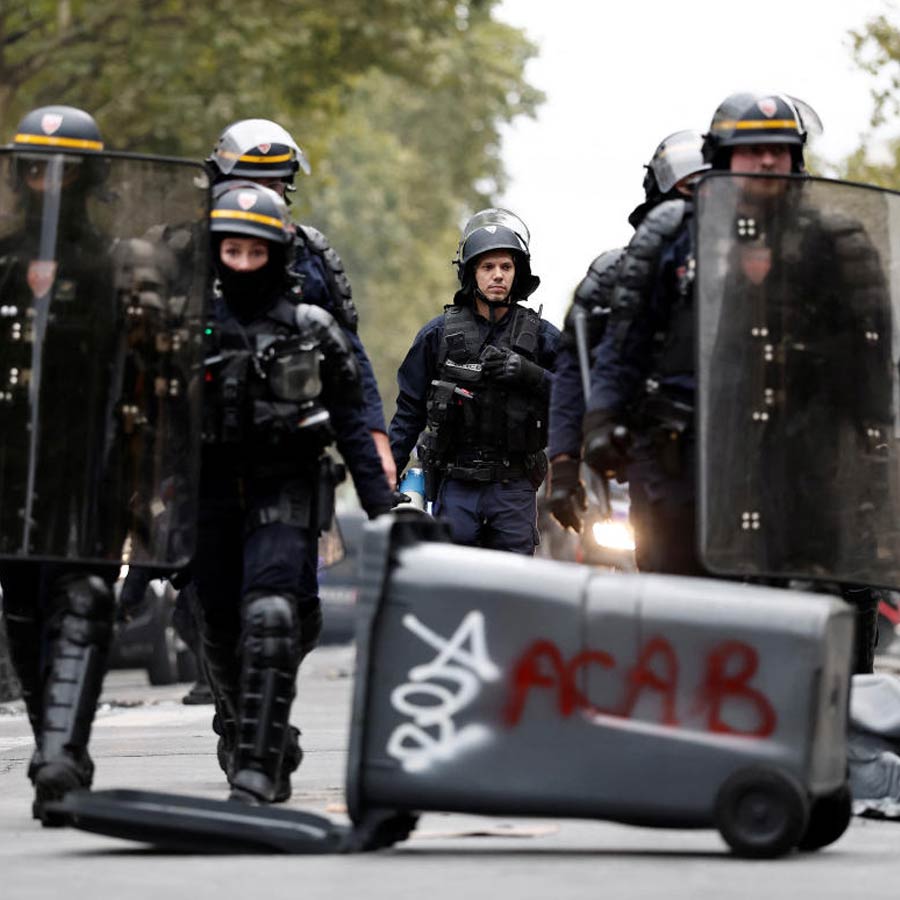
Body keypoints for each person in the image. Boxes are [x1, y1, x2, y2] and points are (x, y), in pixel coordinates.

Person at [583, 92, 888, 673]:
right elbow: (624, 347)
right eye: (752, 151)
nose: (767, 162)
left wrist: (872, 438)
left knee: (808, 627)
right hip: (686, 471)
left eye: (779, 150)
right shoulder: (668, 237)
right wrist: (601, 426)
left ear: (798, 161)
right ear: (722, 158)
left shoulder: (838, 242)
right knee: (683, 626)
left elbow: (870, 364)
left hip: (798, 468)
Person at [196, 183, 391, 804]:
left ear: (278, 255)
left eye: (259, 253)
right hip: (207, 496)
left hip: (285, 492)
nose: (246, 265)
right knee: (218, 625)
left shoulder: (315, 330)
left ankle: (256, 767)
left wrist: (385, 514)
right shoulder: (188, 329)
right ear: (216, 252)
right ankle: (260, 734)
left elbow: (356, 428)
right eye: (234, 252)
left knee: (273, 617)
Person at [0, 106, 160, 822]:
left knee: (86, 601)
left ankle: (63, 754)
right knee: (27, 611)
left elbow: (156, 373)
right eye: (38, 169)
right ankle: (54, 745)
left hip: (90, 465)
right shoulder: (2, 264)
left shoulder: (118, 267)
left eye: (65, 170)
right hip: (9, 470)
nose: (51, 183)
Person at [205, 119, 396, 485]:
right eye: (250, 185)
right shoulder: (182, 249)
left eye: (273, 186)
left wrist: (376, 440)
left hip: (284, 444)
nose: (262, 197)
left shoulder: (308, 254)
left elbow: (347, 356)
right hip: (199, 447)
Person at [547, 131, 708, 533]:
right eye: (689, 190)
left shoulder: (762, 267)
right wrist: (565, 465)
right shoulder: (618, 277)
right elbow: (574, 363)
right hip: (656, 461)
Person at [389, 209, 559, 555]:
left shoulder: (543, 338)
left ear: (518, 272)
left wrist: (532, 374)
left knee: (513, 590)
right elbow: (409, 410)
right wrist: (387, 473)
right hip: (455, 487)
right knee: (454, 587)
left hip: (514, 488)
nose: (498, 276)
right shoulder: (437, 335)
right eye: (488, 267)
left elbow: (578, 397)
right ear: (472, 273)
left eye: (506, 267)